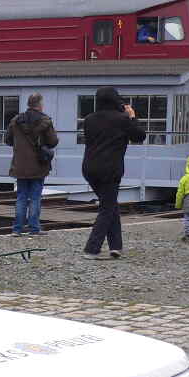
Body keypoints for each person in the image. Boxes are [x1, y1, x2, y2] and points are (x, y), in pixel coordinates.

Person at [80, 86, 146, 259]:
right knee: (107, 208)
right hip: (110, 169)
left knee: (110, 205)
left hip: (89, 168)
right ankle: (92, 248)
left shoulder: (89, 119)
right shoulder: (122, 119)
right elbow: (139, 136)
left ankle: (116, 247)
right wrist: (132, 117)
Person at [3, 93, 58, 236]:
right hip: (38, 165)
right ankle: (34, 229)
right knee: (35, 197)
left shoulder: (16, 120)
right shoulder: (45, 121)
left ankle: (17, 229)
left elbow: (7, 140)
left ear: (29, 104)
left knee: (21, 197)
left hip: (20, 165)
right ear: (39, 104)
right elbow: (53, 142)